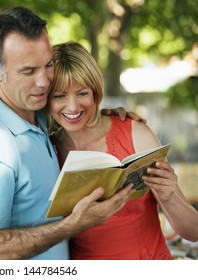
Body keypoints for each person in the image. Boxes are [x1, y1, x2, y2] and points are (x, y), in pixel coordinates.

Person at [0, 6, 140, 260]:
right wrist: (74, 224)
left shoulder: (36, 113)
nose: (44, 81)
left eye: (48, 65)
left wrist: (102, 115)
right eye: (28, 71)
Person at [47, 41, 198, 259]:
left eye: (82, 93)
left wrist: (170, 194)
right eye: (59, 95)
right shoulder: (45, 148)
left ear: (96, 92)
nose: (72, 107)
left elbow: (192, 232)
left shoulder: (136, 133)